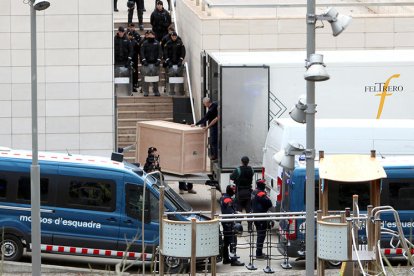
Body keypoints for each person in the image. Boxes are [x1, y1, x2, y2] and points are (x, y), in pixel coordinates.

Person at [220, 185, 244, 266]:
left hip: (226, 222)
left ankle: (226, 259)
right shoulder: (228, 200)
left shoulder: (223, 197)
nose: (234, 192)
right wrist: (237, 214)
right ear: (230, 191)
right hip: (229, 223)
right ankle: (234, 260)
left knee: (226, 241)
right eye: (233, 190)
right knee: (233, 242)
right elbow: (230, 212)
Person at [251, 179, 272, 259]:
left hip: (256, 216)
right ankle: (259, 254)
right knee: (261, 235)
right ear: (262, 185)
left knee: (260, 234)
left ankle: (259, 252)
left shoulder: (254, 192)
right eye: (264, 184)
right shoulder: (261, 194)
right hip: (261, 217)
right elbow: (269, 203)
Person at [140, 30, 162, 96]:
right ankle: (146, 91)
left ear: (154, 35)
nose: (150, 36)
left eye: (151, 34)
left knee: (155, 78)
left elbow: (160, 52)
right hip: (146, 64)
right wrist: (144, 60)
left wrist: (158, 60)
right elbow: (142, 52)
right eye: (149, 34)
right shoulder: (144, 43)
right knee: (146, 78)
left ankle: (156, 91)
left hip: (155, 63)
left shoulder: (157, 43)